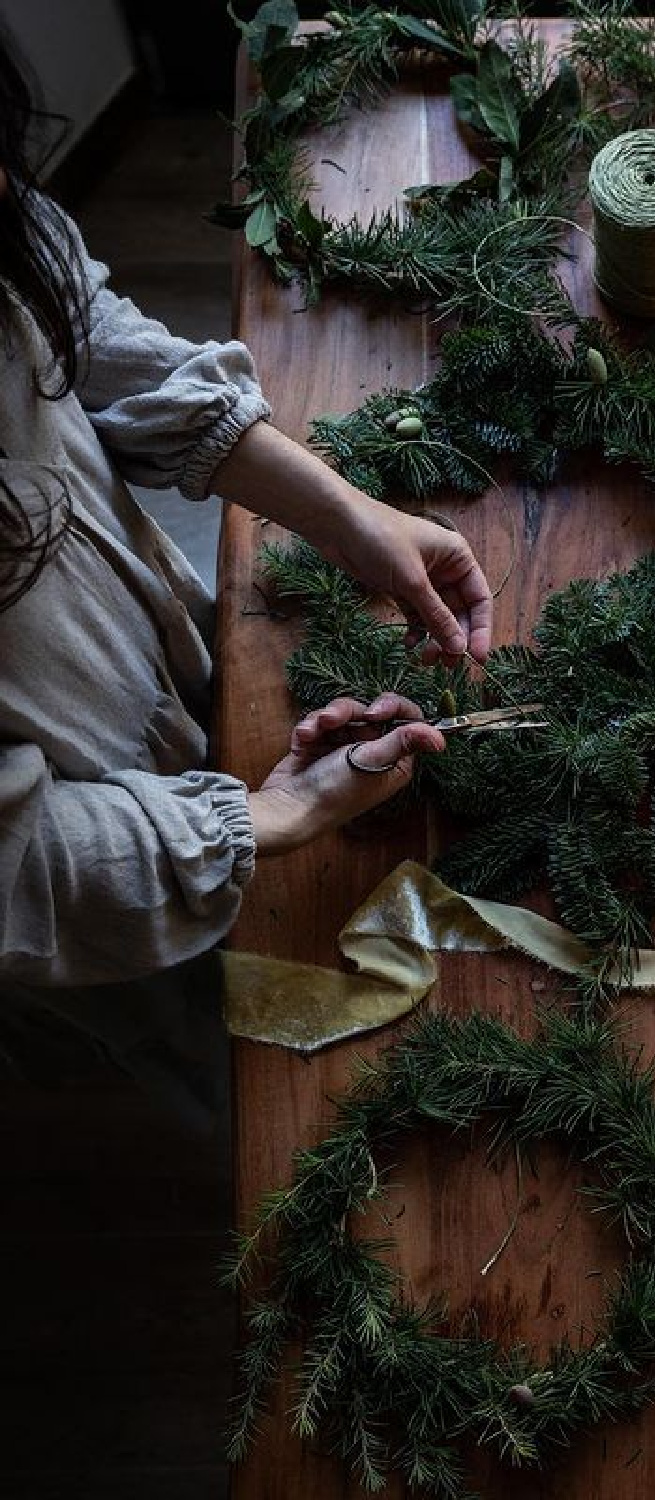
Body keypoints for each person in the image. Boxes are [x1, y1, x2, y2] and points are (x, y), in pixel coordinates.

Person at [0, 38, 493, 991]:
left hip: (159, 670)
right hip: (104, 920)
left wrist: (344, 513)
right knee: (222, 1045)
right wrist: (269, 819)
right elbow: (20, 869)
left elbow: (80, 329)